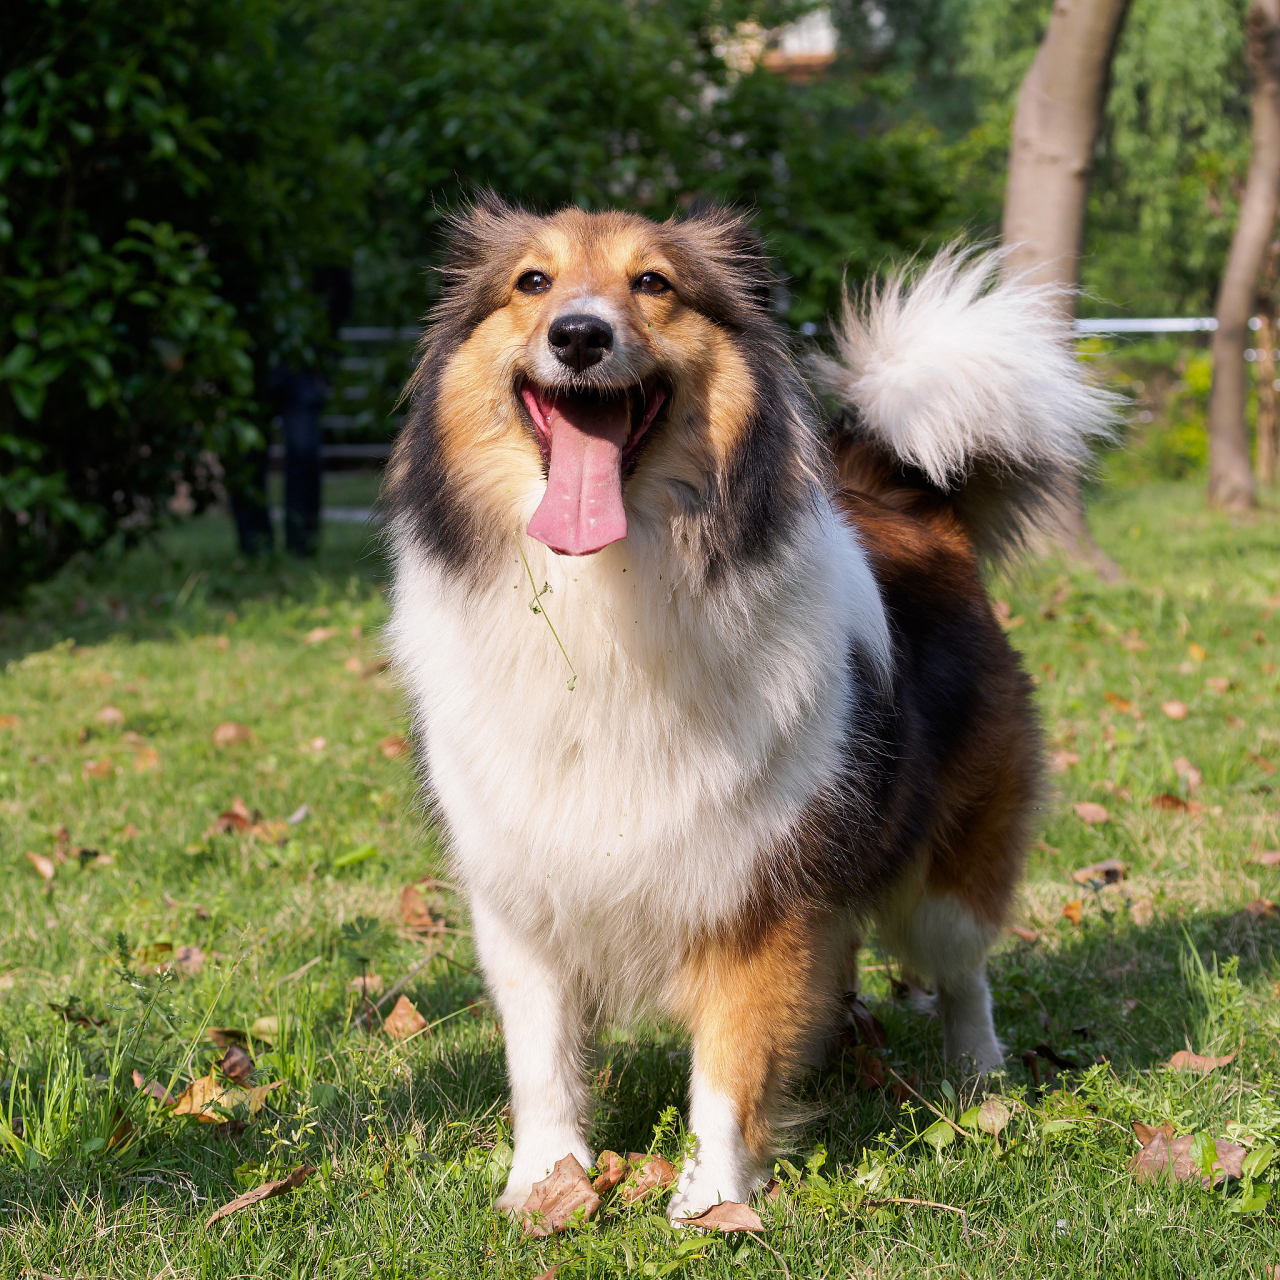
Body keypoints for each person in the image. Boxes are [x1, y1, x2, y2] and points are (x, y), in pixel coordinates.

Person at [231, 266, 353, 557]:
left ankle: (302, 542)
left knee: (304, 450)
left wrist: (325, 355)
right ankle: (254, 544)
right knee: (247, 454)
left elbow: (341, 293)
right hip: (251, 358)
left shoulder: (319, 251)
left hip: (304, 363)